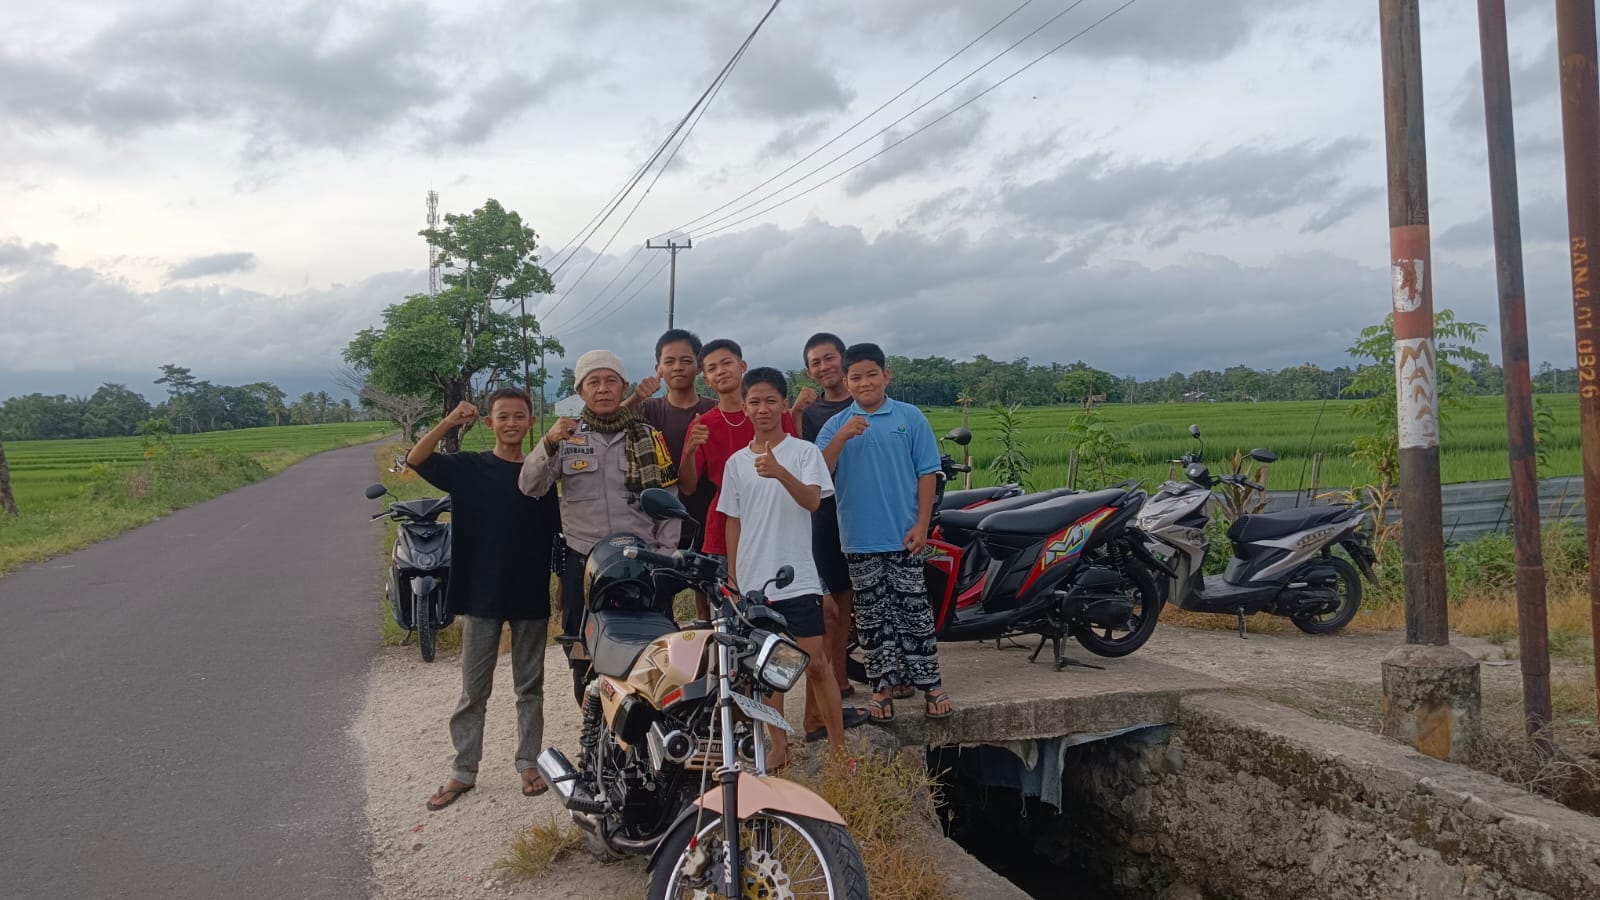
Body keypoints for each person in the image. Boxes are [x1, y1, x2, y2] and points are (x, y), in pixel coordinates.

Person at [406, 388, 561, 811]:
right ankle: (464, 769)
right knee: (474, 690)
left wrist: (561, 584)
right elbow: (416, 459)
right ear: (490, 423)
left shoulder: (541, 473)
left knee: (530, 687)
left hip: (529, 591)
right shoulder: (467, 468)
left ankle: (529, 763)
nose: (511, 423)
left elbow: (554, 534)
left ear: (531, 422)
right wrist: (450, 421)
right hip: (480, 593)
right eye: (503, 416)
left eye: (519, 416)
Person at [519, 349, 679, 704]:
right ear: (580, 391)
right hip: (584, 562)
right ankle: (592, 723)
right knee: (582, 651)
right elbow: (529, 486)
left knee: (650, 650)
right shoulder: (566, 437)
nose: (603, 388)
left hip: (641, 562)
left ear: (624, 387)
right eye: (593, 382)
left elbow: (668, 498)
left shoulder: (648, 436)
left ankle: (643, 723)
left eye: (611, 381)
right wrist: (548, 442)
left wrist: (666, 553)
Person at [719, 368, 853, 768]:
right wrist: (733, 576)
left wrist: (779, 471)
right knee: (765, 671)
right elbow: (733, 521)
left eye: (770, 401)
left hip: (797, 579)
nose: (763, 409)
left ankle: (839, 750)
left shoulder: (804, 453)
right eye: (754, 402)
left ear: (783, 404)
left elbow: (813, 501)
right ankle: (778, 747)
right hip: (753, 585)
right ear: (744, 407)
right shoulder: (736, 463)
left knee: (816, 665)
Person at [817, 343, 955, 723]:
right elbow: (819, 474)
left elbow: (927, 472)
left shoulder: (910, 418)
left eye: (871, 375)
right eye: (856, 377)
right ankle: (881, 690)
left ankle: (931, 685)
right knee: (871, 617)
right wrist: (842, 438)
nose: (865, 383)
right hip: (859, 540)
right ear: (846, 382)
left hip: (905, 537)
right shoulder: (836, 426)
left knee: (915, 611)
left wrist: (923, 524)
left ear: (886, 376)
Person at [790, 333, 863, 742]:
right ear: (808, 370)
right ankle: (829, 686)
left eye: (829, 358)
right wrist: (796, 411)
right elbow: (799, 458)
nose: (823, 367)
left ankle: (841, 679)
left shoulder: (864, 401)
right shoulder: (811, 410)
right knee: (829, 602)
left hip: (860, 510)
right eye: (815, 362)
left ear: (843, 359)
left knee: (847, 599)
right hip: (823, 514)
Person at [676, 339, 797, 574]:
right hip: (726, 524)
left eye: (726, 363)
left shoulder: (771, 412)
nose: (721, 371)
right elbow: (688, 487)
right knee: (731, 594)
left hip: (776, 518)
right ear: (707, 380)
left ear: (742, 366)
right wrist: (690, 452)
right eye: (712, 368)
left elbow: (794, 461)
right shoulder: (703, 425)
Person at [627, 329, 717, 618]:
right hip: (659, 525)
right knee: (659, 603)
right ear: (659, 368)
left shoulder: (713, 411)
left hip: (707, 519)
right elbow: (608, 422)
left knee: (710, 606)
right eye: (670, 361)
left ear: (699, 367)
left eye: (686, 360)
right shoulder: (647, 409)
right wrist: (634, 398)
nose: (678, 367)